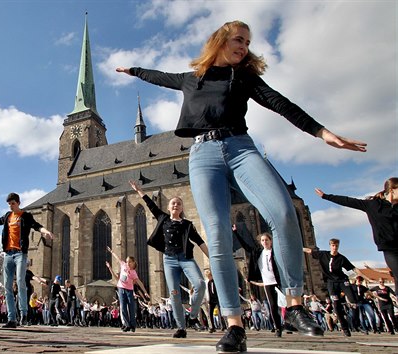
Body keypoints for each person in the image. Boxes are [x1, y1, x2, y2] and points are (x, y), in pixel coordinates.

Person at [116, 20, 367, 352]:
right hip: (202, 154)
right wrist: (132, 69)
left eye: (248, 42)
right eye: (239, 40)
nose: (244, 47)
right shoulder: (191, 79)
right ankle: (234, 326)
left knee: (282, 211)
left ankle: (293, 304)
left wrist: (322, 132)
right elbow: (158, 76)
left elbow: (281, 104)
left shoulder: (244, 78)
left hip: (240, 148)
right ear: (220, 40)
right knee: (217, 236)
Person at [129, 180, 208, 338]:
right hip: (169, 260)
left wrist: (212, 258)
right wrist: (139, 190)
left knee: (200, 284)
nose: (175, 205)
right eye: (173, 203)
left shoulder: (187, 225)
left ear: (182, 208)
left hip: (186, 258)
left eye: (178, 204)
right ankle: (181, 328)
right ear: (168, 207)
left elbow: (200, 242)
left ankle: (192, 317)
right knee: (174, 294)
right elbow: (151, 205)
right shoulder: (163, 218)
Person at [0, 192, 55, 329]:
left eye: (13, 203)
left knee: (21, 281)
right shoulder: (7, 217)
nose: (11, 206)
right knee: (8, 287)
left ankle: (24, 313)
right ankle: (11, 319)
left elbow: (36, 225)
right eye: (9, 204)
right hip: (8, 254)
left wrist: (46, 232)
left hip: (20, 253)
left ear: (18, 203)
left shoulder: (26, 216)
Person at [315, 178, 398, 292]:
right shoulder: (373, 205)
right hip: (390, 249)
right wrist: (326, 196)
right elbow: (349, 201)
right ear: (393, 190)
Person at [303, 239, 362, 337]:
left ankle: (356, 323)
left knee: (354, 302)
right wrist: (297, 246)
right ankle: (345, 328)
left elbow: (353, 268)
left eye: (336, 246)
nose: (334, 248)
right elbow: (309, 251)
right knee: (336, 305)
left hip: (343, 281)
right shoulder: (323, 255)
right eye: (333, 245)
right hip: (331, 283)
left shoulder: (342, 258)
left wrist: (366, 277)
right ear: (330, 246)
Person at [233, 227, 284, 337]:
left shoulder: (276, 252)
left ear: (271, 241)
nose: (265, 242)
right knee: (273, 306)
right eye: (262, 240)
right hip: (268, 282)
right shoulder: (258, 252)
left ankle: (288, 323)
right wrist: (236, 233)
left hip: (280, 280)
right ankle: (278, 328)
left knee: (285, 304)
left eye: (266, 240)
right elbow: (246, 247)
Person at [105, 246, 150, 333]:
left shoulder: (133, 273)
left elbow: (139, 282)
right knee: (123, 307)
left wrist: (145, 292)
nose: (128, 263)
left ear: (133, 263)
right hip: (121, 288)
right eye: (127, 261)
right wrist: (111, 251)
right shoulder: (123, 265)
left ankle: (133, 325)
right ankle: (126, 325)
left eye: (130, 262)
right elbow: (117, 258)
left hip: (129, 290)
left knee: (131, 307)